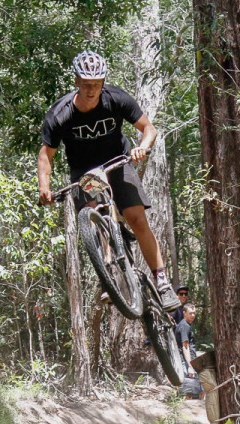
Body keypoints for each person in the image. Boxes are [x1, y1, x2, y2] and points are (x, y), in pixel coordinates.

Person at [37, 50, 179, 312]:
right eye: (87, 84)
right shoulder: (60, 113)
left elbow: (149, 128)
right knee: (92, 214)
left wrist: (142, 147)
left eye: (97, 83)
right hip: (85, 171)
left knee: (136, 217)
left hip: (118, 162)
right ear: (77, 82)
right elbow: (46, 154)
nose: (92, 90)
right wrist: (44, 187)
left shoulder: (116, 98)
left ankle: (162, 281)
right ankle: (109, 275)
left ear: (103, 82)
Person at [176, 303, 198, 378]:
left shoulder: (187, 325)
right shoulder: (184, 326)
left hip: (188, 362)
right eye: (190, 313)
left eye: (194, 313)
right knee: (188, 387)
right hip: (185, 362)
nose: (193, 315)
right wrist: (190, 366)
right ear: (184, 313)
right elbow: (185, 346)